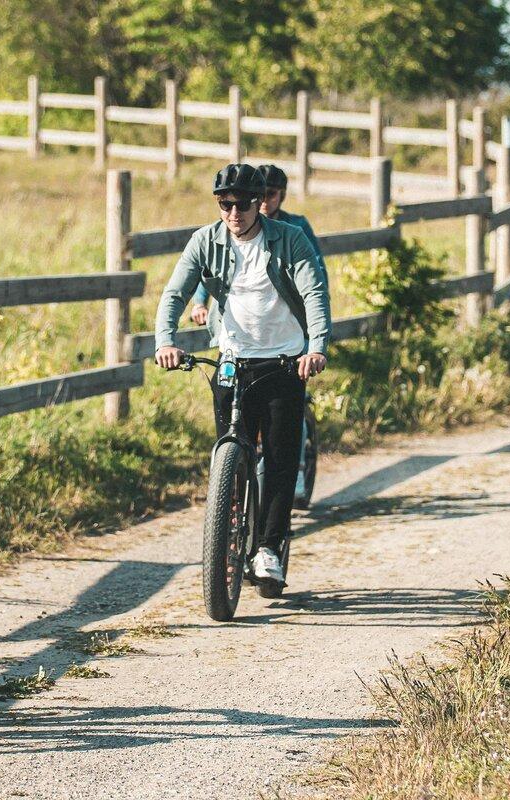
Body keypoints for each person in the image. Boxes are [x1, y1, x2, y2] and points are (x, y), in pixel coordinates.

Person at [155, 164, 330, 588]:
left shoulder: (290, 240)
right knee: (231, 450)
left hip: (285, 361)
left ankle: (269, 547)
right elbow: (175, 292)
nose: (234, 213)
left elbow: (314, 292)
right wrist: (166, 340)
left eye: (243, 204)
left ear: (260, 203)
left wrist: (317, 347)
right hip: (233, 359)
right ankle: (229, 524)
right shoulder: (205, 240)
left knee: (281, 457)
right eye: (225, 204)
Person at [185, 164, 324, 326]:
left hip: (290, 312)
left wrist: (318, 307)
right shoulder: (233, 227)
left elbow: (317, 266)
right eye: (259, 195)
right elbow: (211, 268)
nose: (264, 200)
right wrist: (199, 303)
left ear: (282, 195)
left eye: (270, 194)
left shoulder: (295, 229)